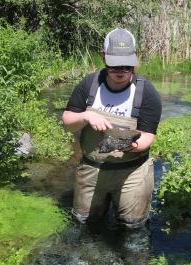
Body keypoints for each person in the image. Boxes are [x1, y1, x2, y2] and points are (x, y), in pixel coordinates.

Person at [62, 27, 162, 229]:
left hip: (132, 172)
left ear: (135, 58)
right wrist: (86, 116)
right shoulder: (90, 84)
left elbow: (147, 135)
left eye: (127, 67)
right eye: (115, 66)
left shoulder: (146, 92)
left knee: (132, 228)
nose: (121, 72)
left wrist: (130, 146)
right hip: (92, 168)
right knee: (84, 225)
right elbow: (68, 122)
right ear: (103, 57)